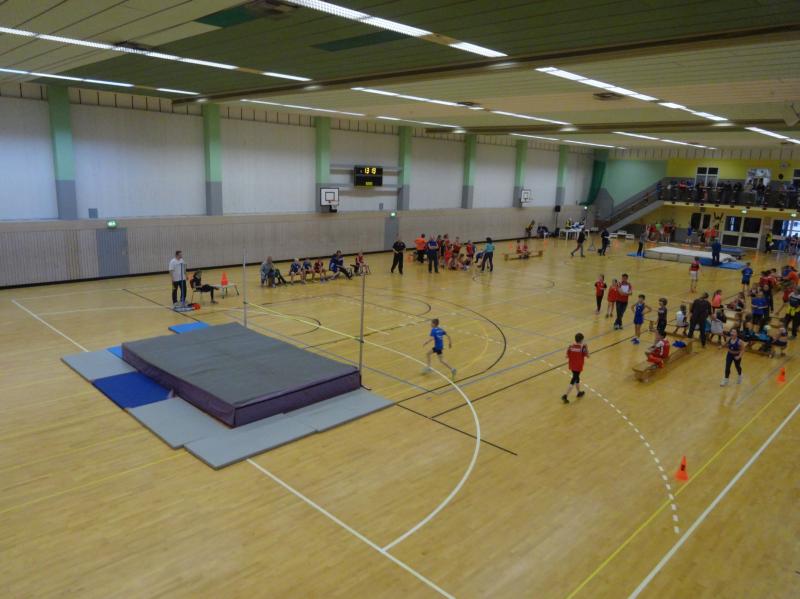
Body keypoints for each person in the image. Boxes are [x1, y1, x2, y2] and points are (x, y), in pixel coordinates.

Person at [562, 332, 589, 404]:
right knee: (573, 380)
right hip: (578, 366)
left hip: (572, 365)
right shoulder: (582, 348)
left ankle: (579, 392)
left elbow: (567, 356)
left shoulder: (571, 346)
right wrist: (586, 347)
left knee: (577, 378)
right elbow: (588, 356)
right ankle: (565, 395)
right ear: (581, 340)